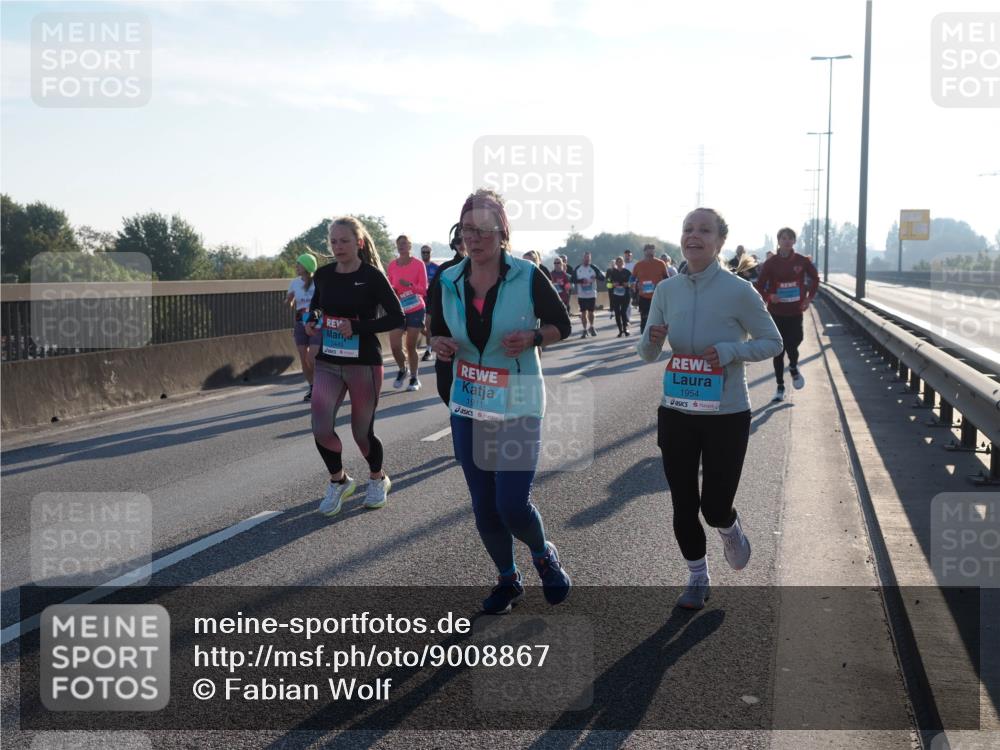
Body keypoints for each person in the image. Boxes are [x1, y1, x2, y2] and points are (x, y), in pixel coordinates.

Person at [430, 188, 573, 614]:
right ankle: (507, 580)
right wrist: (437, 343)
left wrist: (533, 337)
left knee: (511, 503)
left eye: (483, 229)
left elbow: (560, 324)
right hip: (469, 400)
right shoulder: (447, 280)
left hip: (519, 398)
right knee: (484, 506)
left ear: (502, 232)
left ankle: (543, 554)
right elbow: (435, 330)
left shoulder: (527, 275)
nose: (473, 238)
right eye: (466, 229)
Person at [637, 208, 782, 610]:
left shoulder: (739, 290)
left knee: (714, 506)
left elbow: (773, 343)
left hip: (727, 414)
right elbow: (647, 352)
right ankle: (697, 576)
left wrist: (731, 352)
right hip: (678, 411)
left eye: (704, 230)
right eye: (687, 229)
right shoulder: (667, 290)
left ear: (719, 242)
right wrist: (652, 337)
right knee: (683, 503)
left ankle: (729, 528)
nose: (693, 236)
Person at [305, 217, 404, 516]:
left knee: (362, 433)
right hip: (329, 361)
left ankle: (378, 478)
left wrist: (358, 328)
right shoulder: (323, 275)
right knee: (320, 428)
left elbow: (396, 317)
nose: (338, 247)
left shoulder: (372, 276)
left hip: (363, 363)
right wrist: (313, 320)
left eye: (344, 241)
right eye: (333, 242)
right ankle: (339, 481)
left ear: (358, 243)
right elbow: (317, 306)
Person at [754, 227, 818, 402]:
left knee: (794, 344)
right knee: (778, 350)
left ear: (794, 242)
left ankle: (794, 367)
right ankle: (780, 386)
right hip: (777, 312)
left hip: (796, 311)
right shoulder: (771, 263)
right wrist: (769, 296)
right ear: (778, 241)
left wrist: (808, 298)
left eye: (790, 238)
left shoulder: (802, 261)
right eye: (783, 238)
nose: (787, 241)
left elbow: (815, 279)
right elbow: (759, 286)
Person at [427, 223, 467, 406]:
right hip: (451, 347)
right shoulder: (445, 272)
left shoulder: (498, 270)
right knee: (447, 391)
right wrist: (434, 339)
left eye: (464, 238)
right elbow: (432, 310)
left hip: (486, 352)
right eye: (457, 240)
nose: (462, 244)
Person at [387, 235, 429, 391]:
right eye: (399, 244)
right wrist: (393, 291)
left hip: (416, 308)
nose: (401, 246)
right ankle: (402, 369)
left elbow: (424, 289)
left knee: (410, 346)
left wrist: (410, 285)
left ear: (410, 246)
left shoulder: (418, 264)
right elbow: (390, 287)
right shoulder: (392, 265)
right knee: (395, 346)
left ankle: (414, 378)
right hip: (398, 310)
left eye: (404, 244)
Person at [286, 252, 321, 401]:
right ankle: (312, 386)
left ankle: (322, 384)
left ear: (307, 266)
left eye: (299, 264)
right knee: (304, 359)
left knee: (312, 357)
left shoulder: (318, 282)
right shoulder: (294, 282)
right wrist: (288, 301)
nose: (296, 266)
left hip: (316, 323)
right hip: (300, 322)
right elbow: (290, 300)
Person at [631, 243, 669, 334]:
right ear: (644, 252)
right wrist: (635, 285)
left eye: (652, 250)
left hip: (657, 296)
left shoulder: (660, 263)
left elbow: (667, 279)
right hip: (643, 296)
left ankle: (657, 338)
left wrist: (662, 286)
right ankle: (644, 338)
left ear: (654, 252)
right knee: (644, 318)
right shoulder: (638, 265)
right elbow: (632, 279)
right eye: (648, 250)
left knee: (658, 319)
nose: (650, 252)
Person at [573, 252, 604, 338]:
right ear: (582, 259)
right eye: (585, 258)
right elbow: (573, 279)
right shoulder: (578, 268)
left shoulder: (594, 267)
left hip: (592, 294)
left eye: (588, 258)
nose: (587, 260)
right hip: (581, 294)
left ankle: (592, 326)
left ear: (590, 259)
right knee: (583, 312)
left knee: (591, 312)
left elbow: (602, 278)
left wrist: (595, 277)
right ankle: (584, 329)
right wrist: (581, 281)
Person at [420, 245, 440, 362]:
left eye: (427, 252)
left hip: (431, 300)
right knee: (419, 326)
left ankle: (428, 350)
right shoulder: (417, 266)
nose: (425, 254)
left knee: (428, 324)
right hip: (418, 300)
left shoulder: (436, 268)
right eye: (423, 252)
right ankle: (432, 339)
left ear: (431, 253)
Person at [607, 255, 632, 337]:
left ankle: (625, 329)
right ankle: (620, 330)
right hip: (616, 295)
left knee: (623, 312)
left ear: (623, 263)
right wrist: (613, 284)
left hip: (625, 295)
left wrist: (627, 284)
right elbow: (608, 284)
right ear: (616, 263)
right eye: (618, 262)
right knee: (617, 313)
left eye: (621, 261)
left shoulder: (627, 272)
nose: (619, 263)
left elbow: (632, 283)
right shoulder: (612, 272)